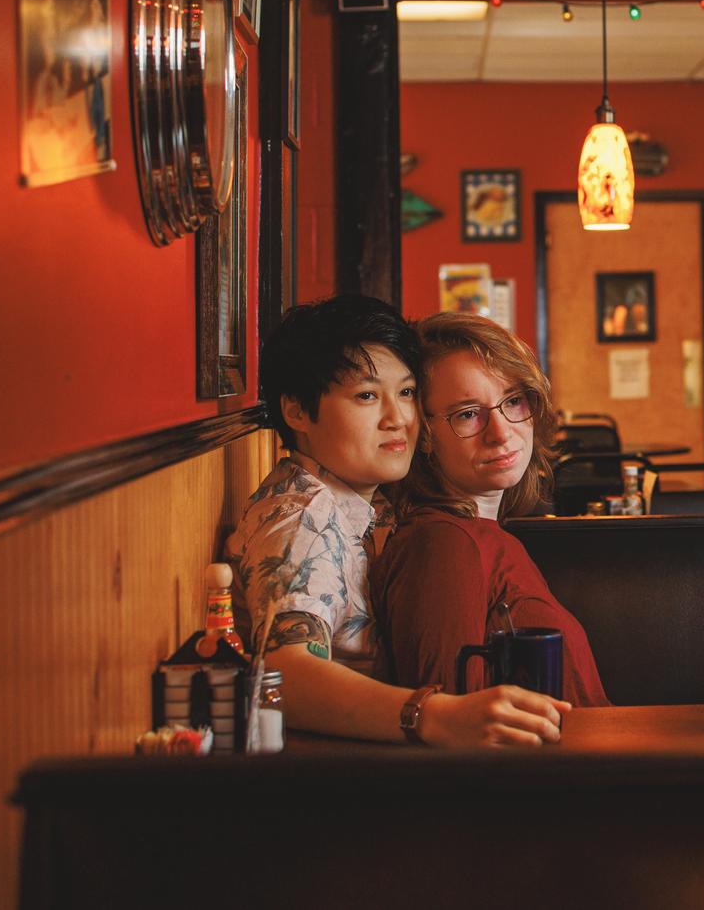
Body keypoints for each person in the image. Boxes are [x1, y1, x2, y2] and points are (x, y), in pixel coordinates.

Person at [226, 295, 571, 746]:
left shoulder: (366, 505)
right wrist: (436, 715)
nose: (398, 419)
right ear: (297, 411)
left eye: (407, 393)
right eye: (367, 396)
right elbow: (283, 675)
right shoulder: (304, 517)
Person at [372, 312, 610, 707]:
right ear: (424, 434)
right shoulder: (444, 543)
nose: (501, 432)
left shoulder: (482, 535)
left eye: (513, 401)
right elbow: (451, 721)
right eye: (467, 413)